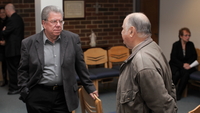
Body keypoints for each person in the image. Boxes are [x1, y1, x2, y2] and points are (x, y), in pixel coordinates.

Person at [18, 5, 98, 113]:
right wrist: (25, 92)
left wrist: (90, 87)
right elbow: (23, 70)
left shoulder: (72, 39)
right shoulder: (29, 43)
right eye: (54, 21)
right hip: (38, 95)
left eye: (61, 21)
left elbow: (81, 66)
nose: (58, 25)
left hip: (64, 95)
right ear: (44, 23)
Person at [116, 12, 177, 113]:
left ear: (131, 31)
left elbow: (164, 107)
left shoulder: (143, 63)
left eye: (123, 29)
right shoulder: (154, 47)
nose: (121, 32)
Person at [1, 3, 24, 94]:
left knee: (12, 69)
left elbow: (5, 33)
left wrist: (3, 30)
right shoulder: (19, 18)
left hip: (12, 49)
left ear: (7, 11)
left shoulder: (11, 20)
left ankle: (14, 88)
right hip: (18, 48)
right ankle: (19, 86)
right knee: (17, 68)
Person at [169, 27, 197, 101]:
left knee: (185, 74)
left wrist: (188, 64)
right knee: (177, 74)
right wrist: (182, 64)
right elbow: (173, 58)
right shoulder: (176, 45)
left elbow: (194, 56)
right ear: (181, 36)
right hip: (177, 64)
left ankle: (178, 93)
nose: (188, 37)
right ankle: (171, 91)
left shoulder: (191, 44)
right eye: (186, 35)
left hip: (188, 66)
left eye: (189, 35)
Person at [0, 7, 8, 87]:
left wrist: (6, 42)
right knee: (3, 64)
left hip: (8, 46)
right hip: (1, 47)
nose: (2, 14)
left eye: (3, 12)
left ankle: (10, 80)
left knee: (9, 63)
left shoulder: (9, 22)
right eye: (0, 12)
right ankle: (4, 80)